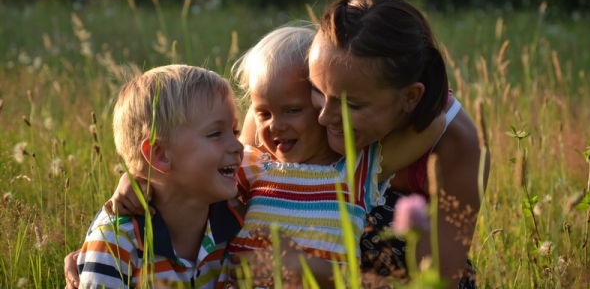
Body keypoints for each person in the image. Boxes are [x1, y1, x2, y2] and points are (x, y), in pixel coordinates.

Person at [67, 26, 444, 288]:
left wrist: (338, 85)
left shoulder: (356, 167)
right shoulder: (253, 167)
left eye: (293, 109)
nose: (275, 125)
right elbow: (179, 172)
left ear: (322, 102)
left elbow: (433, 120)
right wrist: (135, 176)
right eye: (263, 113)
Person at [308, 0, 489, 287]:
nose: (324, 117)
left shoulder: (455, 146)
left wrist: (314, 271)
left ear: (410, 97)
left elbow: (436, 280)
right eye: (316, 89)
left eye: (351, 105)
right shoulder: (306, 79)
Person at [74, 65, 244, 288]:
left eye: (235, 132)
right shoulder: (116, 242)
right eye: (215, 134)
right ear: (160, 155)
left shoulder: (237, 220)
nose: (238, 146)